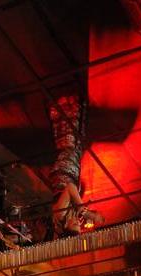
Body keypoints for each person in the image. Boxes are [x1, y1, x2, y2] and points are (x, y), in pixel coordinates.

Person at [48, 94, 104, 237]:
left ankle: (62, 105)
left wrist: (82, 208)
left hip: (62, 173)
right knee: (76, 144)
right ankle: (72, 106)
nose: (78, 222)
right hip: (70, 173)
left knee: (69, 142)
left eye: (75, 225)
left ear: (65, 226)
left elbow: (69, 188)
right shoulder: (71, 215)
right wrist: (90, 214)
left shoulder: (60, 215)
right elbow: (99, 217)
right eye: (79, 225)